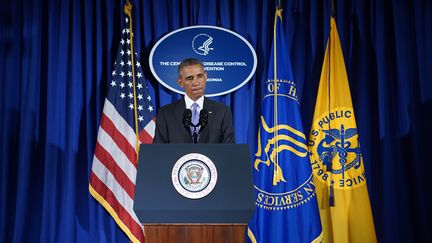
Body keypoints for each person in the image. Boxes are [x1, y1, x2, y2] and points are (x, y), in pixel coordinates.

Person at [153, 58, 235, 143]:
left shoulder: (222, 111)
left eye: (200, 76)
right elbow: (159, 150)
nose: (196, 83)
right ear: (180, 82)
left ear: (206, 77)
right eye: (189, 78)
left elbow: (229, 150)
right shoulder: (166, 113)